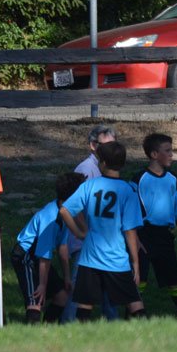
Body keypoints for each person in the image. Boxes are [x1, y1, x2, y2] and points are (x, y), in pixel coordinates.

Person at [58, 141, 146, 321]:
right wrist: (135, 263)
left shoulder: (89, 186)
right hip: (117, 258)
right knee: (133, 302)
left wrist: (78, 233)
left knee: (85, 304)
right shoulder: (128, 191)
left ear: (103, 163)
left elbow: (64, 210)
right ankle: (150, 334)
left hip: (90, 258)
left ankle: (80, 335)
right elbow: (130, 231)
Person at [132, 133, 177, 317]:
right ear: (154, 154)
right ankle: (132, 317)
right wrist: (135, 238)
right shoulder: (139, 179)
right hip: (144, 236)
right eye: (167, 151)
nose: (171, 154)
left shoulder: (173, 179)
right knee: (139, 279)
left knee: (174, 280)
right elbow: (130, 213)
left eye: (171, 150)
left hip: (164, 237)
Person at [61, 124, 119, 322]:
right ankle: (67, 325)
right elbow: (74, 205)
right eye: (107, 146)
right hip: (85, 243)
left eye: (114, 145)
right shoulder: (86, 169)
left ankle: (113, 325)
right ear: (93, 146)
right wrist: (84, 231)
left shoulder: (104, 168)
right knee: (79, 290)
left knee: (107, 288)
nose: (112, 150)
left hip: (102, 242)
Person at [10, 172, 85, 323]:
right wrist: (42, 285)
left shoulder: (65, 212)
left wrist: (67, 276)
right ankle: (30, 332)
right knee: (37, 300)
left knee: (62, 297)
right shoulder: (50, 218)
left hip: (40, 257)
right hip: (26, 257)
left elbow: (62, 246)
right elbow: (44, 256)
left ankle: (47, 329)